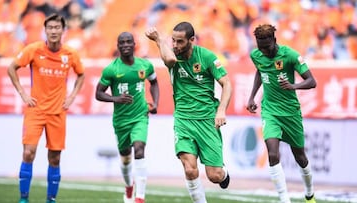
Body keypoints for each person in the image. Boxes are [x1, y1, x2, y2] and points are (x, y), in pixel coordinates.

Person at [145, 22, 232, 203]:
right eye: (173, 41)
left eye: (180, 42)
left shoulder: (206, 57)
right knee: (190, 169)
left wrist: (221, 110)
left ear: (192, 40)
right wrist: (159, 40)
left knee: (214, 175)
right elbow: (169, 61)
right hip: (183, 120)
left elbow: (227, 83)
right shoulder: (171, 54)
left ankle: (224, 175)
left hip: (207, 120)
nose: (175, 46)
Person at [7, 13, 85, 203]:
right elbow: (12, 68)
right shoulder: (33, 50)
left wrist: (72, 97)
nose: (53, 31)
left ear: (63, 30)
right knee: (28, 152)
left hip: (58, 112)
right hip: (36, 110)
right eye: (50, 27)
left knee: (55, 158)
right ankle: (23, 198)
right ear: (45, 30)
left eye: (57, 27)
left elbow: (81, 74)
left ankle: (51, 199)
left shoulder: (70, 54)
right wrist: (23, 94)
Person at [246, 24, 317, 203]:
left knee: (300, 157)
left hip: (290, 112)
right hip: (270, 111)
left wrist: (294, 86)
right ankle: (284, 199)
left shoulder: (290, 55)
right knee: (272, 154)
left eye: (267, 47)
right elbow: (260, 72)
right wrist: (252, 97)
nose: (264, 52)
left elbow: (312, 81)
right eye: (260, 48)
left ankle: (309, 193)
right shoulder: (257, 55)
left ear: (274, 40)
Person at [95, 31, 159, 203]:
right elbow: (98, 93)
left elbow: (154, 83)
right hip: (121, 121)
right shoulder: (111, 69)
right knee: (125, 158)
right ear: (118, 46)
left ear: (134, 44)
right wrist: (116, 98)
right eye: (121, 42)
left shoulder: (145, 65)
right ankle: (129, 185)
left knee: (139, 149)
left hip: (140, 116)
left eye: (128, 42)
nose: (125, 45)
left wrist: (155, 103)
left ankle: (140, 197)